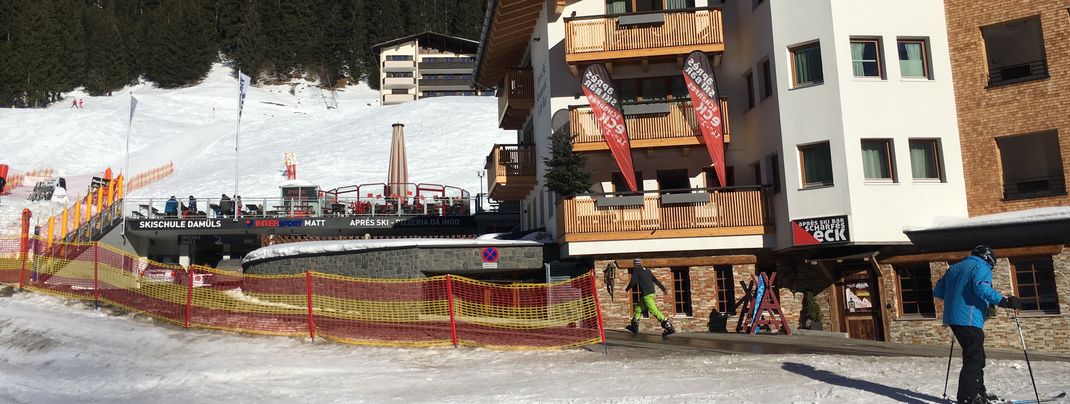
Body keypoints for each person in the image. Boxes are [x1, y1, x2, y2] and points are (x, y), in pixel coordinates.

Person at [934, 245, 1021, 404]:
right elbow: (982, 288)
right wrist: (1005, 301)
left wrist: (957, 294)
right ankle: (967, 397)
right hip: (968, 318)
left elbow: (938, 291)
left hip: (954, 318)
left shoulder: (954, 268)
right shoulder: (981, 267)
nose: (991, 269)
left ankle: (978, 393)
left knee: (978, 357)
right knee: (973, 358)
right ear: (988, 259)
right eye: (992, 266)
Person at [624, 258, 675, 336]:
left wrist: (627, 289)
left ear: (635, 264)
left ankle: (668, 326)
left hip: (647, 295)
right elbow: (655, 280)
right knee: (638, 308)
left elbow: (633, 282)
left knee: (653, 310)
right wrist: (663, 289)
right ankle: (634, 327)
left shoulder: (636, 270)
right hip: (651, 293)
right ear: (641, 263)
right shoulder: (647, 270)